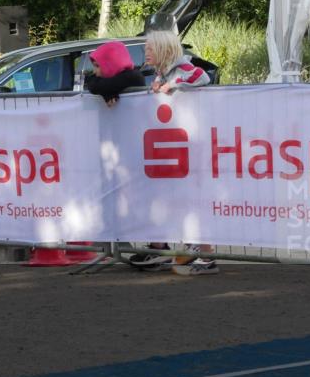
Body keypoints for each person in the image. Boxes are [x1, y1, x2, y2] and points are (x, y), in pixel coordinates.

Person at [136, 29, 218, 276]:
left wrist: (172, 85)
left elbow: (202, 76)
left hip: (190, 145)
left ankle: (206, 255)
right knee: (173, 198)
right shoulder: (163, 73)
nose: (146, 53)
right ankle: (169, 249)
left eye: (150, 48)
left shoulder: (182, 68)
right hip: (174, 145)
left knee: (192, 199)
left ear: (162, 49)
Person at [84, 41, 145, 106]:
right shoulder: (127, 76)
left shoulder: (133, 77)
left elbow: (94, 86)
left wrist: (106, 91)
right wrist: (108, 92)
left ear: (110, 63)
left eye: (97, 66)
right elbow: (93, 83)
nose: (94, 71)